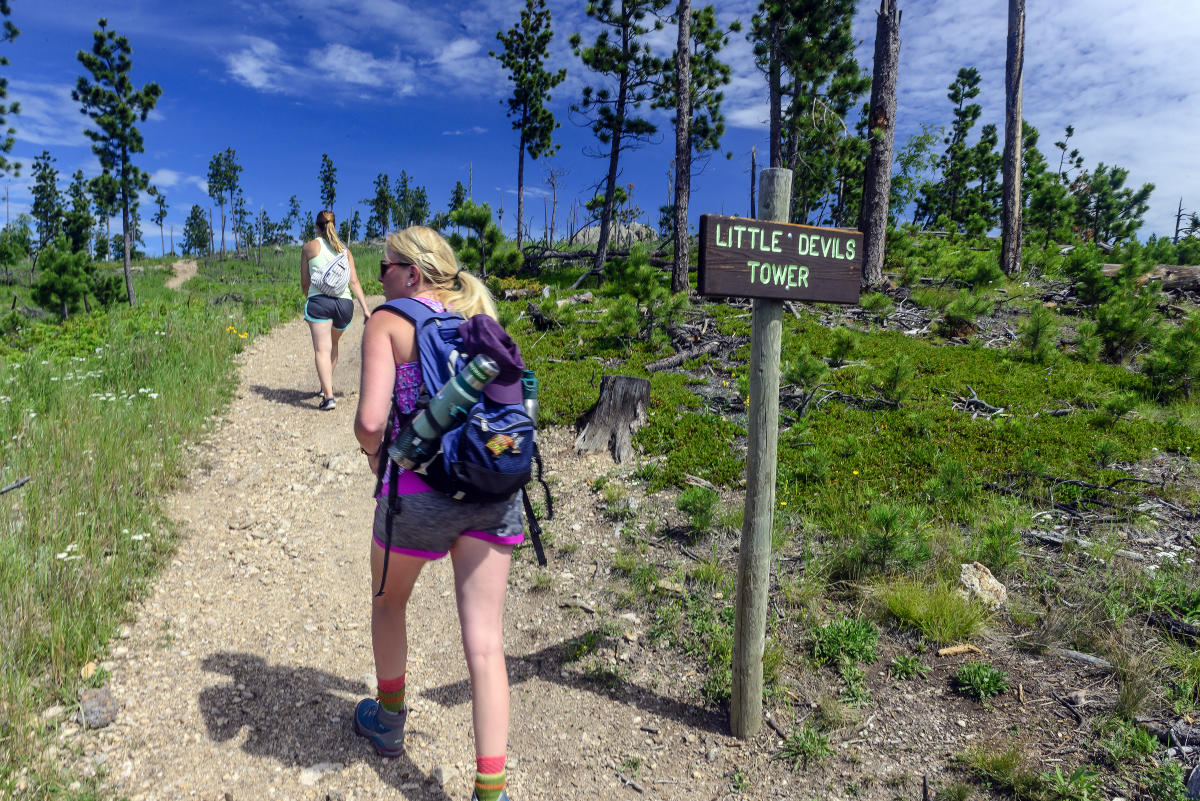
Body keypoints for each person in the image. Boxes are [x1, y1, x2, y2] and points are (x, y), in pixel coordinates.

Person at [353, 225, 521, 801]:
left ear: (412, 274)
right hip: (493, 491)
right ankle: (490, 791)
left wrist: (381, 460)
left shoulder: (388, 321)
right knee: (485, 645)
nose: (379, 279)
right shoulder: (482, 319)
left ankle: (390, 723)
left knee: (388, 601)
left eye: (385, 268)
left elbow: (371, 423)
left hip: (418, 494)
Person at [300, 210, 371, 410]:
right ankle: (325, 386)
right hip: (344, 306)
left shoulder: (309, 248)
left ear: (316, 227)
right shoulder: (345, 251)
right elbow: (354, 282)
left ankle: (328, 397)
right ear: (334, 226)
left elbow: (305, 283)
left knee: (322, 349)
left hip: (320, 303)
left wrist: (310, 300)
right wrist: (365, 309)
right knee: (332, 344)